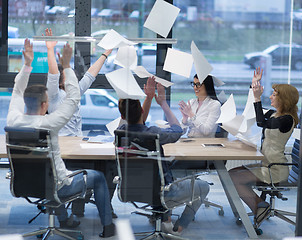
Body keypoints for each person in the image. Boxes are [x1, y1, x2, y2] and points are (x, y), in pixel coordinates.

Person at [6, 39, 115, 238]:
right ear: (45, 105)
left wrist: (27, 64)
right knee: (98, 178)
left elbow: (17, 90)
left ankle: (65, 219)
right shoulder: (51, 124)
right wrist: (65, 65)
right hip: (58, 185)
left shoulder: (12, 119)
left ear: (25, 102)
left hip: (26, 183)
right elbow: (73, 99)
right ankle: (108, 227)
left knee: (51, 176)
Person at [117, 78, 210, 236]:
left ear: (122, 115)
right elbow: (177, 130)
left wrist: (148, 98)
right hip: (162, 192)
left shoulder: (120, 133)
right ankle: (177, 228)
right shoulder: (155, 134)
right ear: (141, 112)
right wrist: (163, 104)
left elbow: (136, 122)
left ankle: (162, 217)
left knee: (158, 175)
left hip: (133, 191)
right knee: (204, 186)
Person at [44, 28, 117, 218]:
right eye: (69, 77)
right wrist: (50, 50)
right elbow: (52, 74)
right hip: (61, 150)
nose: (75, 80)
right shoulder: (54, 96)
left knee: (106, 166)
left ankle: (89, 206)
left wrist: (105, 54)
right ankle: (77, 206)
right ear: (61, 81)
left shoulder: (74, 93)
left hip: (77, 146)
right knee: (86, 170)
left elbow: (91, 75)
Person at [228, 67, 299, 225]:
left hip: (275, 169)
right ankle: (260, 205)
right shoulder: (275, 114)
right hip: (266, 164)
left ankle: (260, 208)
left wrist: (258, 98)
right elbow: (254, 112)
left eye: (274, 95)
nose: (270, 97)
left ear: (284, 99)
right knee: (231, 174)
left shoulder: (287, 119)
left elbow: (261, 122)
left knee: (234, 179)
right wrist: (254, 86)